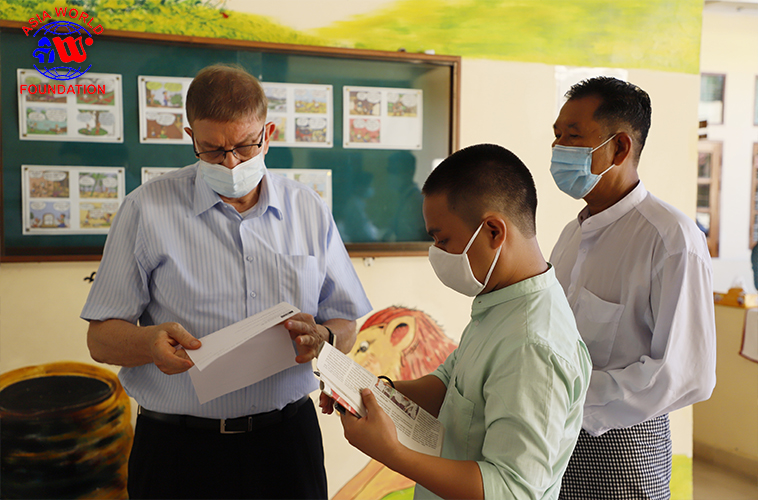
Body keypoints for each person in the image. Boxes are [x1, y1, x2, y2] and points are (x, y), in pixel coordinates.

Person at [81, 63, 372, 500]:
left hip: (286, 444)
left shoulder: (307, 209)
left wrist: (325, 338)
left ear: (268, 134)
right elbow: (100, 340)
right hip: (179, 451)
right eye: (213, 150)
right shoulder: (145, 210)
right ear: (191, 138)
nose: (231, 162)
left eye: (244, 146)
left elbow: (346, 324)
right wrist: (147, 344)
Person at [328, 144, 592, 500]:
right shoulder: (501, 302)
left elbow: (511, 489)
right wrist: (369, 392)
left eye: (443, 239)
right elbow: (449, 385)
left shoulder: (532, 344)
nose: (436, 253)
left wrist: (392, 453)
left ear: (494, 231)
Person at [549, 76, 717, 500]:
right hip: (555, 439)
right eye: (556, 135)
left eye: (572, 136)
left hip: (623, 451)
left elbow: (686, 373)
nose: (557, 148)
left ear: (620, 148)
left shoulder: (671, 240)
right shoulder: (572, 233)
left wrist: (568, 399)